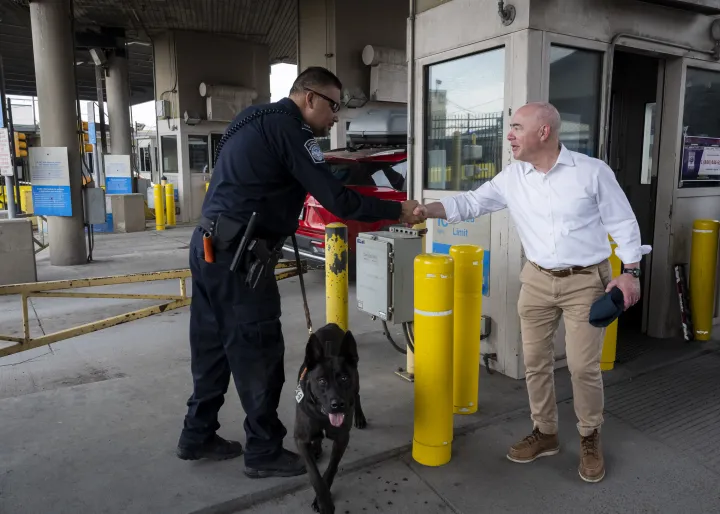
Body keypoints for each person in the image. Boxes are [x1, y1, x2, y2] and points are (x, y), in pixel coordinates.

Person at [176, 66, 423, 478]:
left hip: (208, 248)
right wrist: (396, 209)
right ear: (309, 97)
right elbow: (338, 199)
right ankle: (263, 450)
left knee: (212, 348)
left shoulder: (250, 119)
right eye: (332, 106)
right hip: (240, 258)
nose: (335, 117)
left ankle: (196, 433)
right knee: (259, 352)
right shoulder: (293, 132)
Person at [413, 102, 644, 483]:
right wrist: (426, 210)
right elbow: (472, 202)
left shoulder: (591, 173)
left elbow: (623, 222)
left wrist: (630, 272)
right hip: (536, 278)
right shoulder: (513, 177)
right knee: (534, 362)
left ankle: (589, 437)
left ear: (544, 132)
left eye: (518, 127)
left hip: (585, 280)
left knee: (583, 366)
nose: (509, 134)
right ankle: (547, 433)